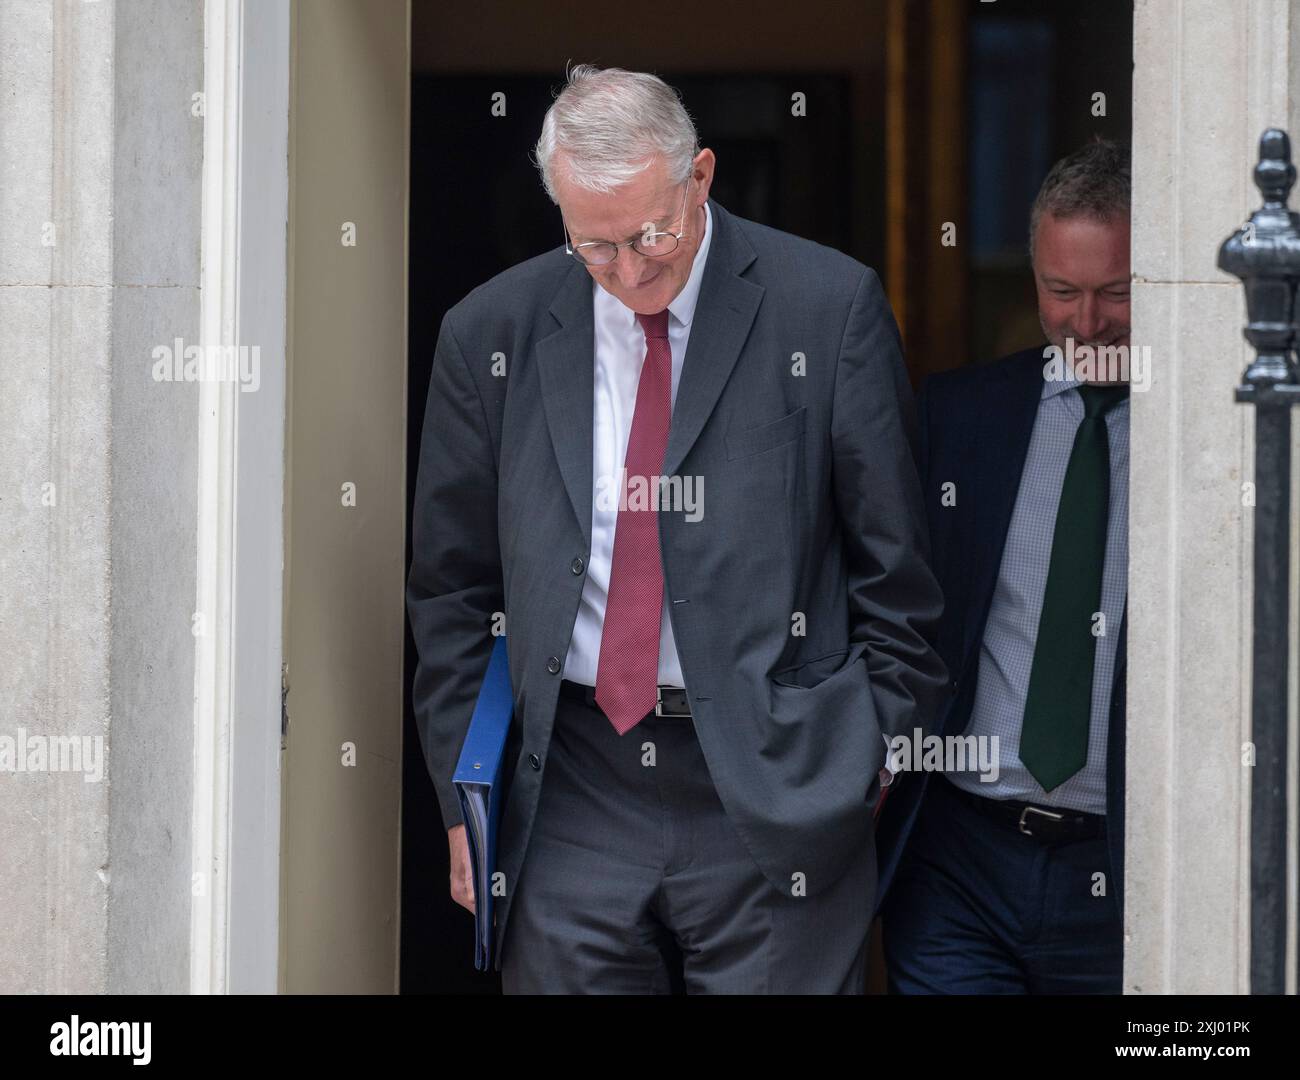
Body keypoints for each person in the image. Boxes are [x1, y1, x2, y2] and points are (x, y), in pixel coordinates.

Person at [407, 64, 947, 994]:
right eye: (596, 247)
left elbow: (897, 581)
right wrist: (470, 799)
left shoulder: (828, 306)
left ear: (700, 177)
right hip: (570, 785)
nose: (629, 268)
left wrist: (858, 762)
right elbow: (452, 590)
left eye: (651, 233)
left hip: (778, 783)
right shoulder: (488, 331)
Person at [877, 138, 1132, 994]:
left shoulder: (1214, 437)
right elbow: (884, 599)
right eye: (1063, 291)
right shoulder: (958, 414)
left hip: (1129, 867)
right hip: (960, 861)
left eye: (1116, 293)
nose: (1086, 321)